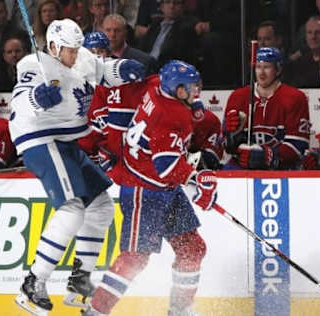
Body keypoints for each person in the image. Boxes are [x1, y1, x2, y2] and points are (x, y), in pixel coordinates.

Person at [10, 18, 146, 315]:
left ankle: (79, 280)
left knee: (101, 207)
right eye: (69, 50)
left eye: (77, 49)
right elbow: (20, 100)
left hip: (69, 140)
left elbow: (102, 71)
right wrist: (37, 98)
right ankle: (33, 283)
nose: (74, 55)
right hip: (40, 138)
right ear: (55, 46)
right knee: (72, 209)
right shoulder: (34, 64)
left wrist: (122, 69)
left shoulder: (81, 56)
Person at [81, 60, 218, 316]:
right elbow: (166, 166)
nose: (196, 91)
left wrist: (195, 103)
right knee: (135, 257)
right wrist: (197, 179)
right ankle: (96, 312)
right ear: (177, 90)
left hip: (161, 187)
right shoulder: (170, 116)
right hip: (144, 190)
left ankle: (179, 310)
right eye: (191, 88)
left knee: (192, 248)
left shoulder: (157, 86)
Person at [223, 47, 310, 170]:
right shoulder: (238, 97)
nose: (261, 73)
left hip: (280, 167)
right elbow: (227, 147)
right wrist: (231, 136)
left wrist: (267, 156)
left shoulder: (295, 98)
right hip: (244, 165)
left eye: (267, 67)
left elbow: (298, 146)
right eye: (258, 67)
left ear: (278, 69)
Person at [138, 0, 198, 69]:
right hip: (145, 65)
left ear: (182, 7)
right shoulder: (155, 24)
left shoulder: (186, 28)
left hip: (165, 69)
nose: (171, 6)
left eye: (176, 3)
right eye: (168, 2)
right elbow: (142, 48)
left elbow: (177, 57)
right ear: (161, 6)